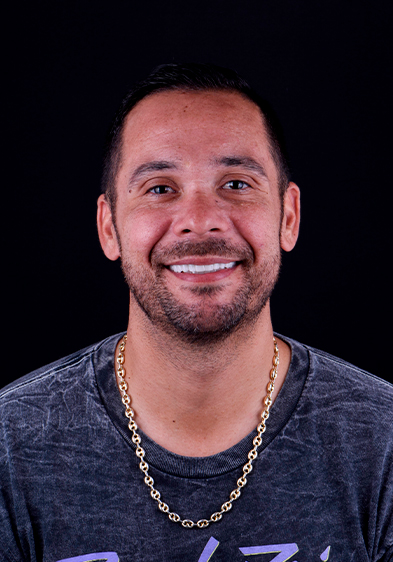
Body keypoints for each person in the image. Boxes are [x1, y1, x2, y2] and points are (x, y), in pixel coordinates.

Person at [0, 63, 392, 562]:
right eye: (160, 188)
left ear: (288, 217)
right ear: (109, 229)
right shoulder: (13, 448)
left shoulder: (381, 445)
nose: (200, 220)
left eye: (236, 184)